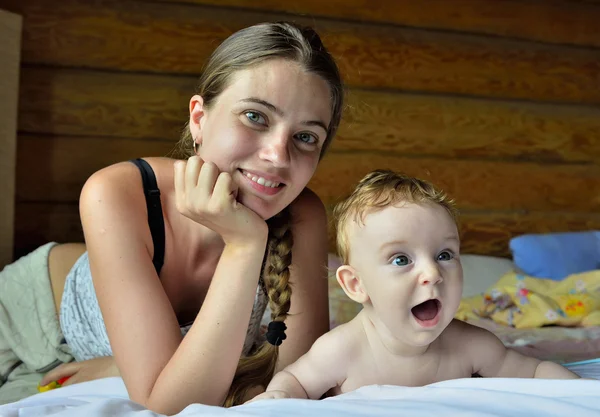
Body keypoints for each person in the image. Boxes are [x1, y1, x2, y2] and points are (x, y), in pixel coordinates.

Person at [0, 21, 344, 414]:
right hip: (28, 320)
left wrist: (245, 243)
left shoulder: (302, 216)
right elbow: (171, 402)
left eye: (305, 137)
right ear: (199, 118)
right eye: (255, 117)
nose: (278, 156)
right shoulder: (117, 192)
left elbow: (295, 388)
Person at [250, 170, 580, 402]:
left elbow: (535, 372)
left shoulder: (472, 346)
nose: (432, 273)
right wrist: (278, 397)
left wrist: (582, 394)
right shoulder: (341, 351)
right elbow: (294, 384)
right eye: (401, 260)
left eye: (445, 254)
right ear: (356, 284)